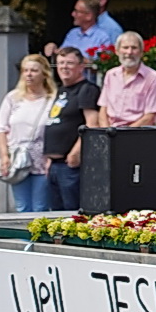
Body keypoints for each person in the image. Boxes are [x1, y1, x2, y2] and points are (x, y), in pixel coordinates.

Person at [42, 48, 101, 211]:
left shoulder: (86, 89)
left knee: (72, 214)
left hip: (71, 166)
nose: (64, 67)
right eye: (61, 63)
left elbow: (92, 124)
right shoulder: (61, 90)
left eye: (69, 63)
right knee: (56, 216)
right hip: (55, 165)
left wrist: (76, 152)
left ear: (81, 66)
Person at [0, 54, 56, 213]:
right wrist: (4, 156)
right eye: (25, 70)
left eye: (34, 70)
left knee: (40, 207)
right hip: (17, 156)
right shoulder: (13, 98)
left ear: (44, 73)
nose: (29, 74)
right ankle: (24, 238)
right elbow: (1, 128)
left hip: (42, 157)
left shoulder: (52, 99)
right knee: (22, 206)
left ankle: (39, 238)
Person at [97, 32, 156, 127]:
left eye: (134, 48)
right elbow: (103, 109)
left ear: (141, 52)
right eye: (125, 48)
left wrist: (125, 135)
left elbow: (150, 116)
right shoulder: (111, 75)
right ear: (117, 51)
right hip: (110, 133)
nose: (129, 52)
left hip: (138, 135)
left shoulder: (154, 78)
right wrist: (106, 133)